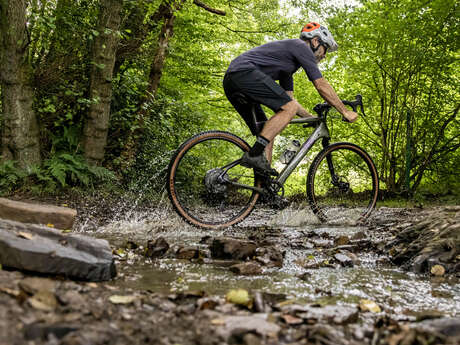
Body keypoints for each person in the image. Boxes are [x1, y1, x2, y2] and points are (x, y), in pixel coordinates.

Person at [223, 22, 358, 177]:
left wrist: (310, 118)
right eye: (325, 48)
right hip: (244, 73)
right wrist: (345, 111)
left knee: (267, 131)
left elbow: (289, 100)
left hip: (232, 80)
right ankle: (254, 155)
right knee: (287, 111)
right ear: (315, 41)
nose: (324, 55)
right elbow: (320, 84)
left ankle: (263, 192)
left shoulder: (286, 66)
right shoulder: (300, 46)